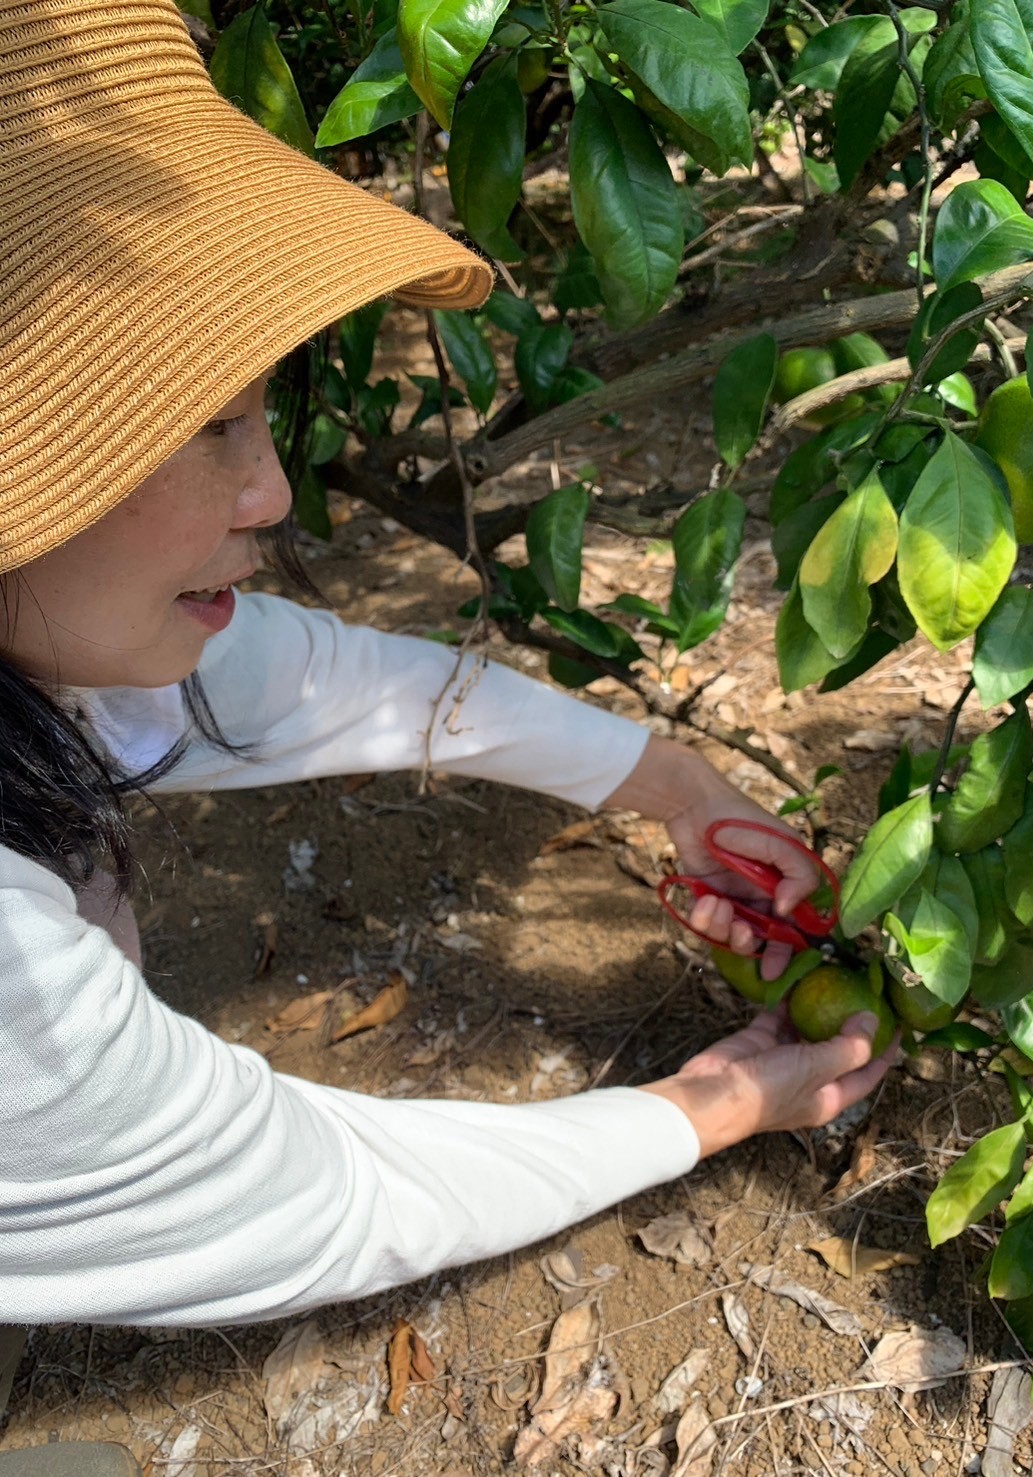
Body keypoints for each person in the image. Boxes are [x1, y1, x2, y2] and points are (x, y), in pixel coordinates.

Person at [0, 3, 896, 1470]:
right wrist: (713, 1107)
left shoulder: (55, 632)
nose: (272, 492)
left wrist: (673, 784)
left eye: (259, 417)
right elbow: (317, 1197)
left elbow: (324, 680)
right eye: (208, 427)